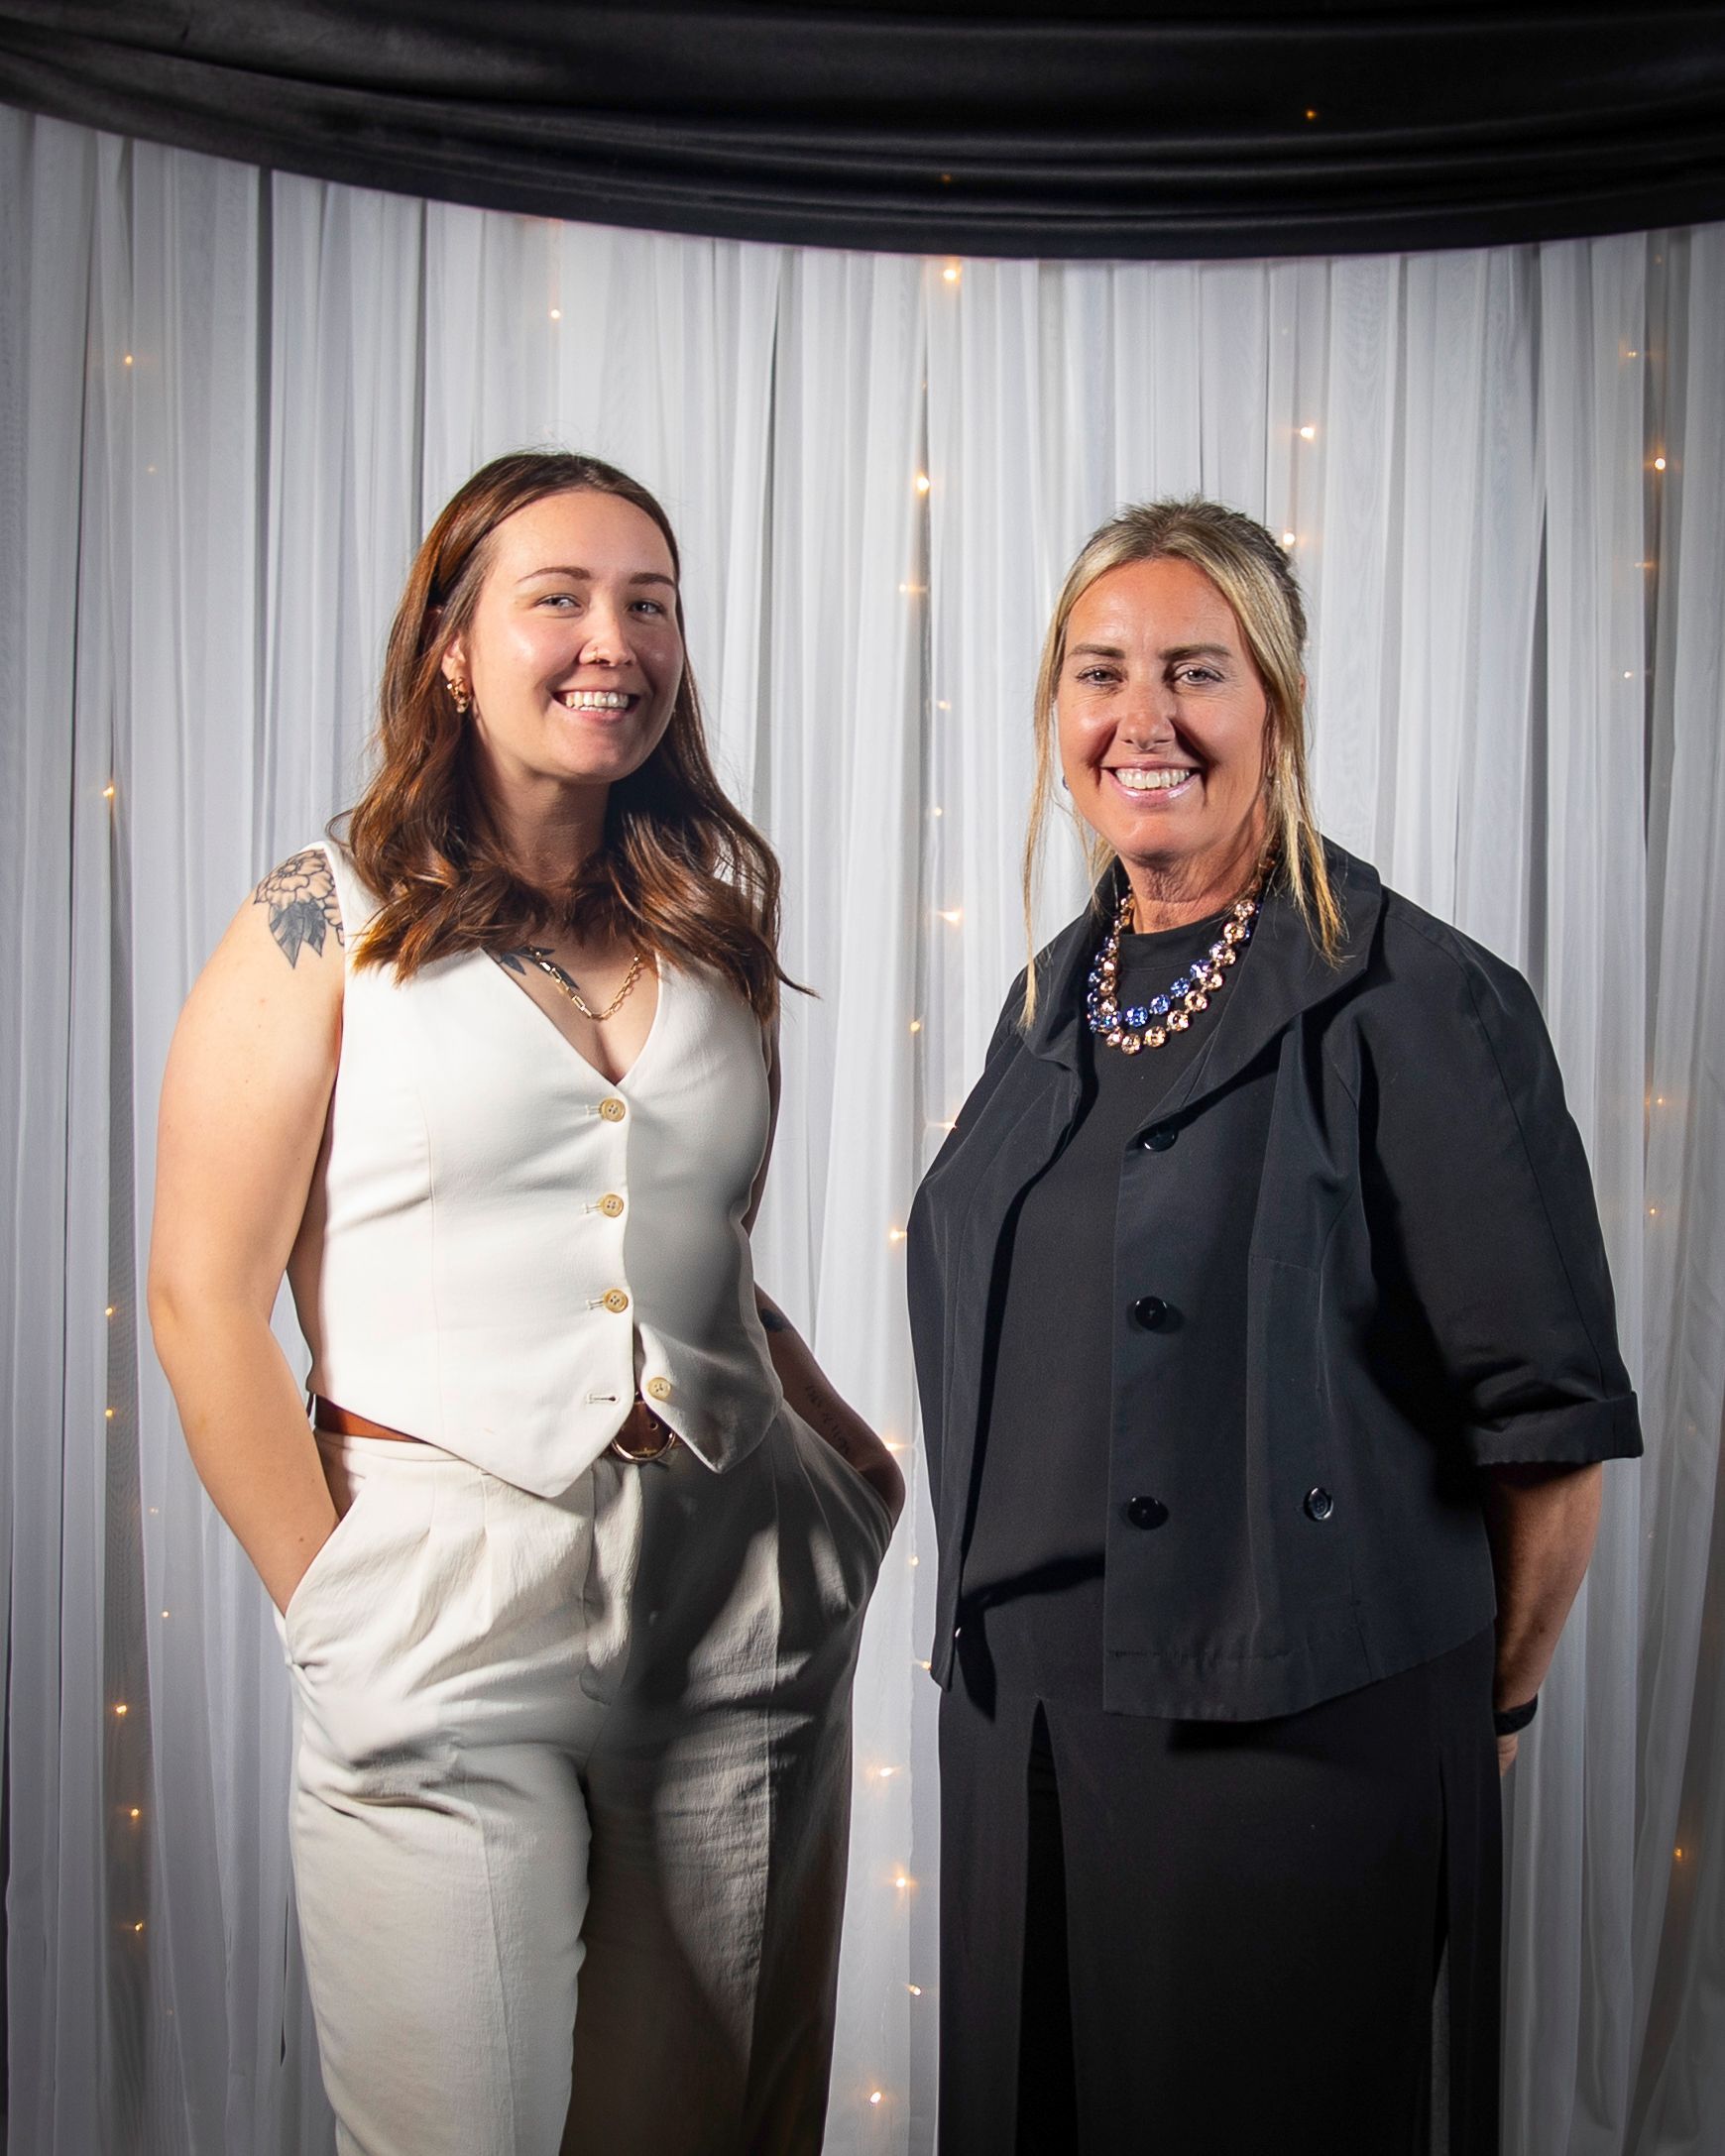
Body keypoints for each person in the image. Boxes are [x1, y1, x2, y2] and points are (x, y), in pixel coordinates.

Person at [148, 450, 901, 2156]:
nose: (609, 640)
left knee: (704, 2130)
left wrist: (853, 1473)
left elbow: (698, 1253)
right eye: (555, 597)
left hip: (738, 1594)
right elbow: (202, 1295)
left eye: (649, 602)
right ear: (451, 648)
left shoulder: (717, 925)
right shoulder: (313, 918)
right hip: (437, 1592)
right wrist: (327, 1605)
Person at [907, 498, 1640, 2155]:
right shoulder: (1051, 999)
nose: (1140, 721)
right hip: (1019, 1730)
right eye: (1100, 674)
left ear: (1278, 710)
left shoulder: (1416, 998)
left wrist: (1488, 1715)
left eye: (1196, 673)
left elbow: (1546, 1432)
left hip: (1291, 1747)